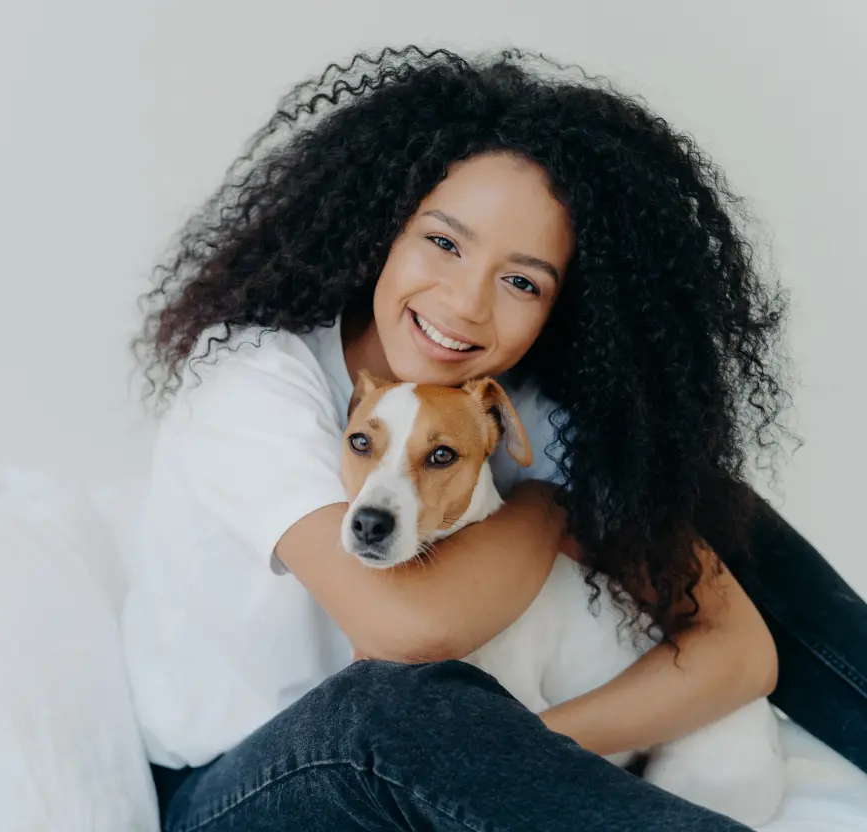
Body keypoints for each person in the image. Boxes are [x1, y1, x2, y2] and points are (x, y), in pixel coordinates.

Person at [123, 47, 866, 831]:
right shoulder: (251, 379)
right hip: (240, 786)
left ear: (562, 309)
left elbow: (740, 653)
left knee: (701, 503)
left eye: (522, 281)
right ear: (384, 227)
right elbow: (406, 634)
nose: (466, 303)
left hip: (437, 751)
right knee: (392, 704)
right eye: (443, 242)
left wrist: (524, 753)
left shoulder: (523, 411)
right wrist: (547, 510)